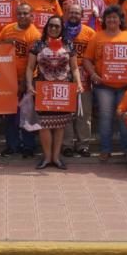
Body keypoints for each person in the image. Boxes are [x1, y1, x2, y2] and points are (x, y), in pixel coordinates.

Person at [81, 5, 127, 162]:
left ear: (120, 20)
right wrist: (93, 74)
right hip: (103, 85)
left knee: (124, 118)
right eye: (109, 17)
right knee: (106, 118)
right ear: (104, 20)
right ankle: (105, 149)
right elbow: (87, 59)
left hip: (124, 86)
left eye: (115, 17)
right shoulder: (97, 37)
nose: (112, 20)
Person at [26, 15, 82, 170]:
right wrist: (29, 84)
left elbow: (75, 67)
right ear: (46, 27)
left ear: (61, 28)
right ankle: (47, 157)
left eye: (57, 26)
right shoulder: (38, 44)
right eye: (51, 25)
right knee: (44, 125)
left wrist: (78, 84)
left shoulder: (68, 45)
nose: (53, 29)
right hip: (43, 90)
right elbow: (30, 67)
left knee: (59, 125)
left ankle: (56, 158)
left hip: (63, 90)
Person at [0, 2, 43, 158]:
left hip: (27, 81)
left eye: (26, 13)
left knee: (27, 114)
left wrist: (24, 82)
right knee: (10, 115)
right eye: (20, 13)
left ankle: (29, 146)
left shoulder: (35, 34)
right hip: (7, 80)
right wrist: (4, 43)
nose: (23, 16)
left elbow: (33, 62)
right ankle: (12, 145)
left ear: (32, 16)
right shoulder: (7, 30)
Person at [60, 2, 95, 158]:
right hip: (62, 76)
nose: (73, 15)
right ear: (66, 14)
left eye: (77, 13)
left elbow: (94, 56)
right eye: (71, 12)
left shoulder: (90, 33)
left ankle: (83, 145)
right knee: (65, 113)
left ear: (82, 16)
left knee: (84, 112)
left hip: (83, 77)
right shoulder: (59, 31)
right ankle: (67, 144)